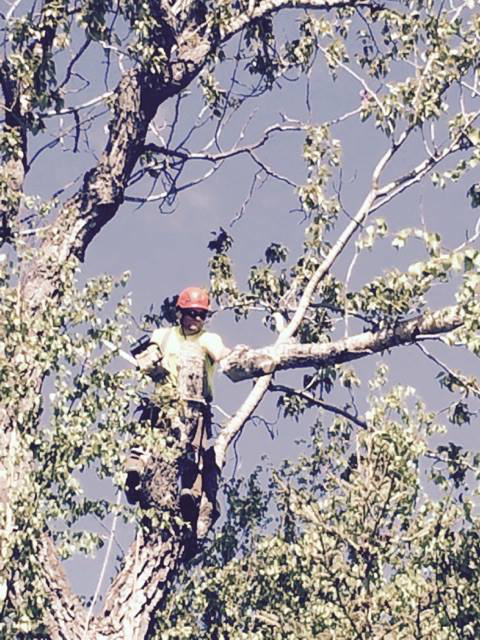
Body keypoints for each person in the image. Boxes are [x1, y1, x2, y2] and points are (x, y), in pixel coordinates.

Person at [126, 286, 230, 538]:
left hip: (193, 406)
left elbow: (223, 355)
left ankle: (190, 493)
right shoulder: (163, 335)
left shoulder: (208, 339)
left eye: (201, 315)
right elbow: (145, 356)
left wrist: (236, 358)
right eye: (192, 313)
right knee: (145, 437)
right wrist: (149, 361)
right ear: (180, 312)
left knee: (192, 452)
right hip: (162, 402)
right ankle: (135, 471)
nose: (196, 319)